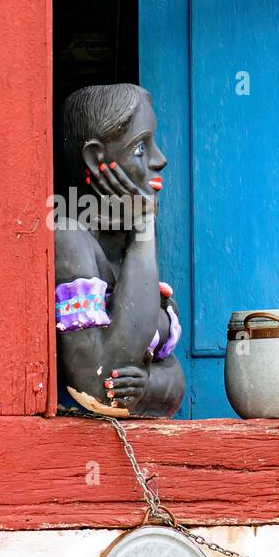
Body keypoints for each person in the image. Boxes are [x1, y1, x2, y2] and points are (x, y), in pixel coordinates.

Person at [54, 83, 184, 418]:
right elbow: (103, 388)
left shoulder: (124, 246)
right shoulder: (70, 239)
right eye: (141, 147)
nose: (160, 159)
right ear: (97, 160)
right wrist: (144, 229)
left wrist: (149, 384)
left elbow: (175, 384)